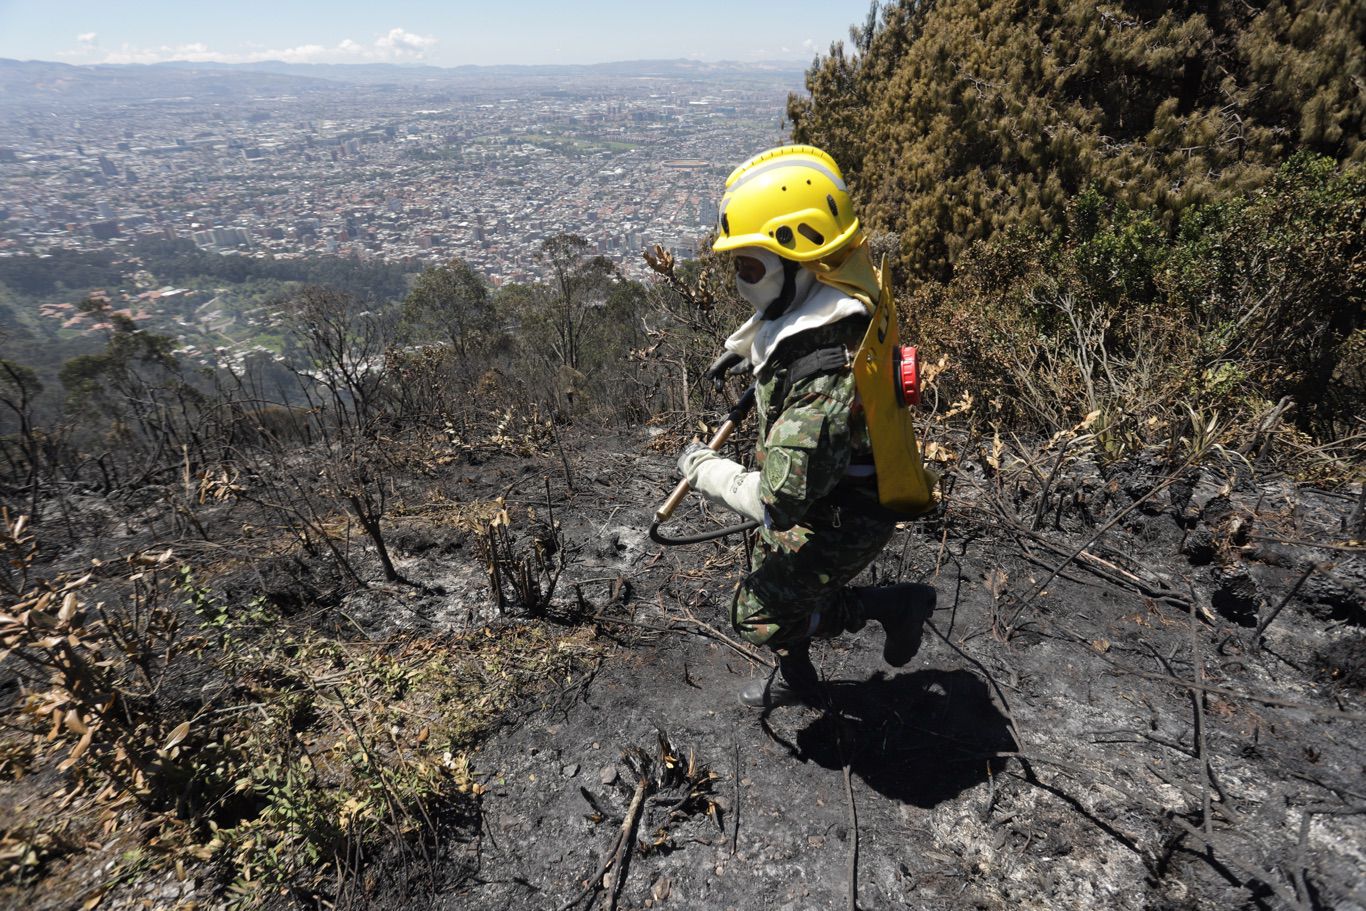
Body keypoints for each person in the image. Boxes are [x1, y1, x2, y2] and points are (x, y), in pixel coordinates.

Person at [677, 145, 935, 709]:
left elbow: (777, 504)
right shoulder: (846, 285)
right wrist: (748, 349)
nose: (741, 281)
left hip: (848, 516)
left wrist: (708, 472)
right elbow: (796, 321)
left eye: (750, 267)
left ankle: (890, 606)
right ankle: (808, 664)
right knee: (768, 567)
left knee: (755, 612)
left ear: (803, 256)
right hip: (834, 493)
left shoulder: (824, 385)